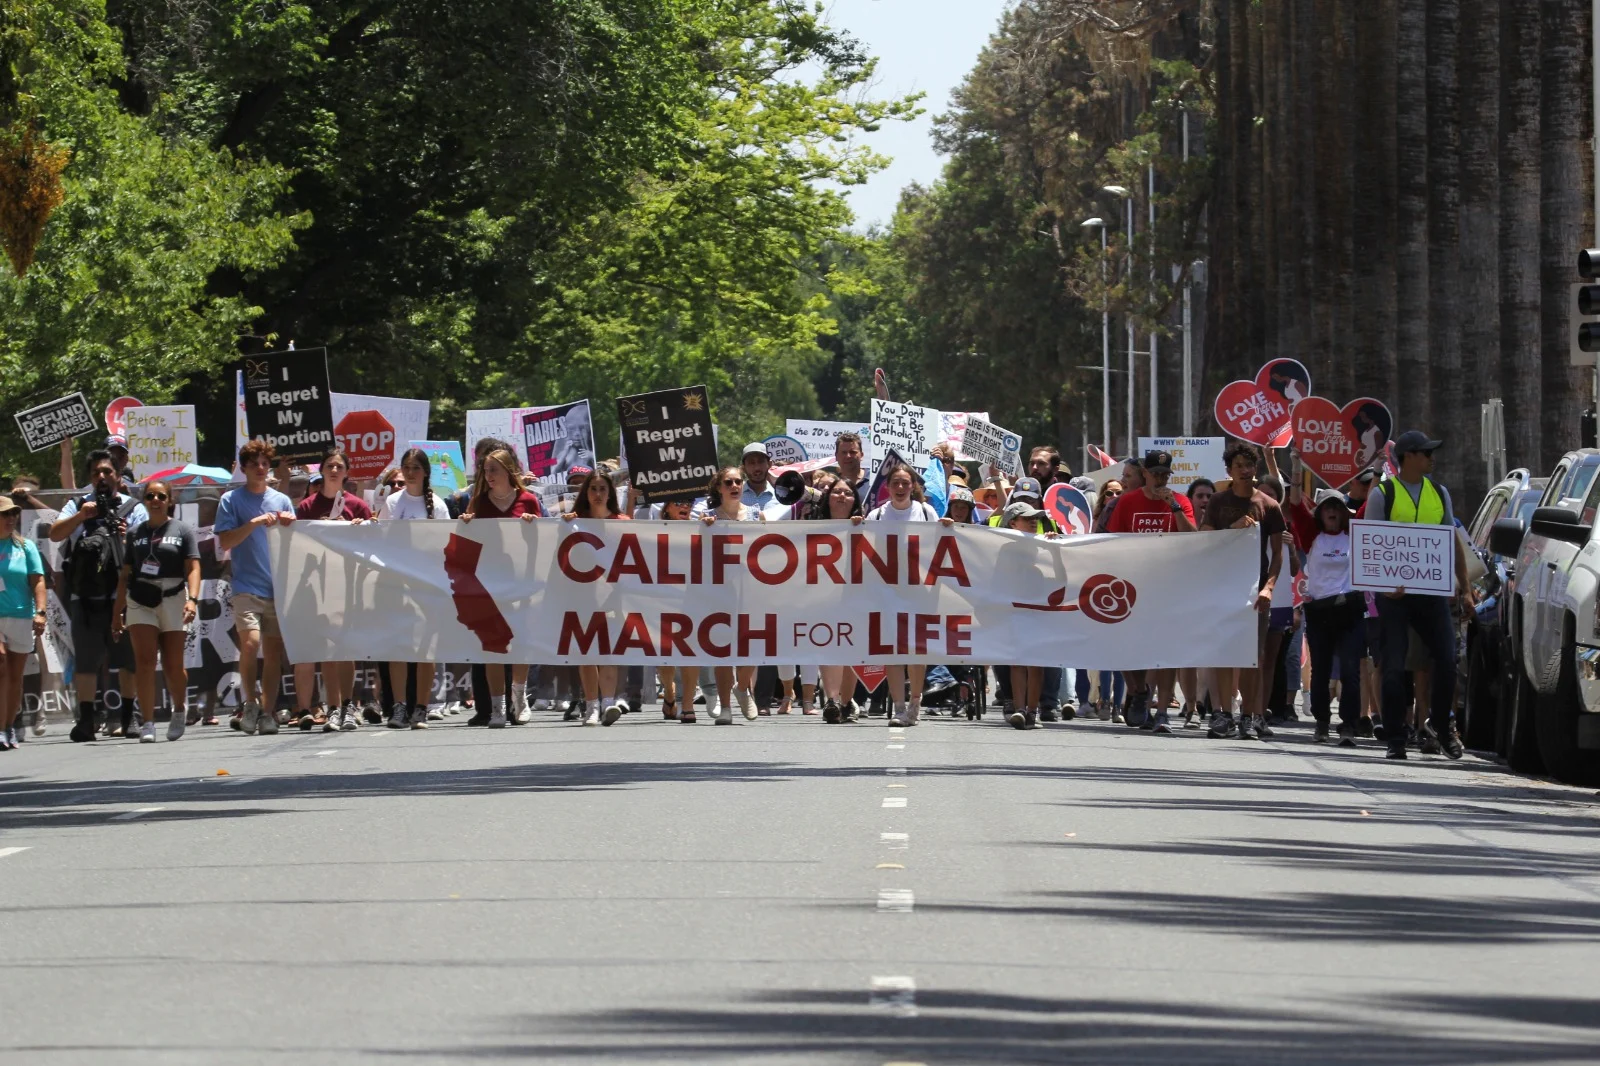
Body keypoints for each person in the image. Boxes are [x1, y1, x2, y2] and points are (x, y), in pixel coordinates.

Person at [1363, 430, 1474, 760]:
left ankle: (1440, 726)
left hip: (1431, 594)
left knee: (1448, 660)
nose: (1432, 458)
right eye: (1426, 452)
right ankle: (1397, 737)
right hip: (1395, 597)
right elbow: (1371, 544)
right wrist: (1383, 587)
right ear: (1409, 456)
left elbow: (1450, 540)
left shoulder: (1438, 492)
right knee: (1394, 667)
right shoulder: (1384, 494)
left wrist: (1465, 587)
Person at [50, 449, 146, 741]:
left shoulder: (133, 508)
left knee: (128, 660)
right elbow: (55, 534)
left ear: (118, 475)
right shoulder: (77, 505)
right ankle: (87, 721)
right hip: (86, 599)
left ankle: (130, 717)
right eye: (96, 473)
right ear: (90, 478)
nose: (102, 478)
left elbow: (146, 546)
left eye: (107, 472)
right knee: (87, 663)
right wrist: (81, 515)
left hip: (124, 600)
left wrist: (127, 534)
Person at [1105, 450, 1196, 734]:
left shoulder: (1179, 501)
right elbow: (1110, 541)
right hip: (1131, 587)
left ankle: (1161, 713)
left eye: (1164, 475)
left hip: (1169, 587)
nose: (1159, 479)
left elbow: (1192, 538)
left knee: (1165, 650)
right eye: (1155, 474)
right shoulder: (1126, 502)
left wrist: (1175, 508)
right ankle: (1139, 689)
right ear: (1144, 472)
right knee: (1124, 645)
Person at [1199, 442, 1284, 741]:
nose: (1245, 471)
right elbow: (1204, 541)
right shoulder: (1218, 502)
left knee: (1253, 657)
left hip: (1254, 592)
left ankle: (1249, 716)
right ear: (1229, 471)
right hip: (1222, 587)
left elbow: (1277, 555)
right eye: (1239, 467)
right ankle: (1222, 714)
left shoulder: (1269, 506)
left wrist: (1269, 588)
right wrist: (1233, 529)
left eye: (1249, 466)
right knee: (1224, 652)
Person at [214, 440, 295, 736]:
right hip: (246, 587)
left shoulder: (282, 500)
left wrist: (289, 523)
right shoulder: (231, 501)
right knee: (250, 644)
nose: (261, 469)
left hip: (278, 588)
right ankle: (249, 702)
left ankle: (268, 712)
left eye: (265, 463)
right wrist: (254, 522)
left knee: (274, 653)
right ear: (244, 468)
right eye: (254, 464)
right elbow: (226, 542)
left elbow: (296, 541)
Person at [110, 480, 201, 743]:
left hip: (173, 597)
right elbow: (125, 574)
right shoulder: (135, 533)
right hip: (140, 599)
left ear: (169, 500)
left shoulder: (182, 530)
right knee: (145, 662)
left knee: (174, 666)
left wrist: (192, 600)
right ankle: (148, 722)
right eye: (150, 496)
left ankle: (179, 709)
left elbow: (193, 568)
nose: (156, 500)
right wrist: (117, 613)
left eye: (161, 496)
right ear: (144, 500)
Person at [862, 460, 951, 727]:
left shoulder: (925, 513)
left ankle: (915, 701)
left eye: (905, 482)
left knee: (915, 651)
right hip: (886, 592)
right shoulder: (876, 516)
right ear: (887, 487)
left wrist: (947, 528)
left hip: (919, 592)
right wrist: (855, 527)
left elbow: (939, 545)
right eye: (895, 483)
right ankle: (899, 708)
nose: (900, 487)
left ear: (913, 486)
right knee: (893, 652)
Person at [460, 446, 543, 727]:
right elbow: (468, 542)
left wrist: (534, 525)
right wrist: (467, 524)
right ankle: (498, 706)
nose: (489, 475)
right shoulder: (479, 502)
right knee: (492, 644)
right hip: (489, 582)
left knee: (520, 641)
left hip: (521, 581)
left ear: (508, 471)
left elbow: (543, 541)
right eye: (485, 471)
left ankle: (518, 696)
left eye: (493, 470)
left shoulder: (528, 500)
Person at [294, 449, 374, 731]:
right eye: (330, 465)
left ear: (346, 473)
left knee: (345, 645)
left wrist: (353, 530)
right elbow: (299, 544)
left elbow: (370, 545)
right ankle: (334, 707)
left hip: (348, 581)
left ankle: (349, 705)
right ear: (323, 470)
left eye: (339, 466)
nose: (334, 470)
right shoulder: (307, 506)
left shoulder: (357, 505)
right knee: (328, 646)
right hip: (318, 583)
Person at [376, 446, 450, 729]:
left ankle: (421, 707)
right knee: (399, 646)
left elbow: (444, 545)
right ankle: (398, 707)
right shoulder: (393, 502)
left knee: (425, 649)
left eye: (415, 468)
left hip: (428, 585)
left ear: (425, 472)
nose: (409, 473)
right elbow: (382, 538)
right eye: (406, 468)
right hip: (397, 584)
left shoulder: (439, 506)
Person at [1289, 488, 1365, 745]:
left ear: (1344, 513)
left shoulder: (1355, 534)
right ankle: (1322, 722)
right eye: (1327, 508)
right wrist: (1297, 464)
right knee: (1320, 670)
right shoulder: (1312, 537)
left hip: (1350, 610)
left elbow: (1370, 507)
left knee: (1350, 671)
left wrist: (1377, 467)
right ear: (1320, 513)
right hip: (1320, 612)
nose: (1332, 512)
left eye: (1337, 507)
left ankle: (1348, 725)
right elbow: (1296, 506)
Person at [561, 470, 632, 726]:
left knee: (609, 650)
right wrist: (566, 524)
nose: (598, 494)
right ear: (586, 493)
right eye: (593, 489)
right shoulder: (576, 521)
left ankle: (608, 703)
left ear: (610, 493)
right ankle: (591, 706)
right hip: (582, 593)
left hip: (614, 593)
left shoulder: (622, 521)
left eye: (603, 489)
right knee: (586, 651)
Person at [698, 466, 763, 724]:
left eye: (738, 481)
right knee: (722, 650)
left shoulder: (757, 515)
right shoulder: (708, 517)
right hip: (719, 592)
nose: (734, 486)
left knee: (752, 647)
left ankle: (742, 687)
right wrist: (703, 530)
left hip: (752, 591)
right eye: (728, 482)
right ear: (719, 487)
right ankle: (725, 708)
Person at [999, 500, 1057, 729]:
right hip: (1014, 609)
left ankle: (1033, 710)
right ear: (1013, 523)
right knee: (1016, 662)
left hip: (1040, 610)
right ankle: (1020, 709)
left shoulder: (1045, 543)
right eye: (1028, 518)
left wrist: (1055, 547)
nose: (1034, 521)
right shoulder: (1004, 548)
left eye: (1036, 518)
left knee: (1035, 663)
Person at [0, 496, 45, 750]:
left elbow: (37, 580)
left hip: (21, 616)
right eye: (4, 514)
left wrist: (40, 612)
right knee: (1, 663)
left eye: (12, 514)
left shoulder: (25, 547)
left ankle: (8, 727)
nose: (10, 519)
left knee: (15, 676)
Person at [834, 431, 869, 505]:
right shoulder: (831, 483)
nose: (848, 456)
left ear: (861, 455)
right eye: (844, 452)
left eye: (852, 452)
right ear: (836, 456)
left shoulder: (874, 480)